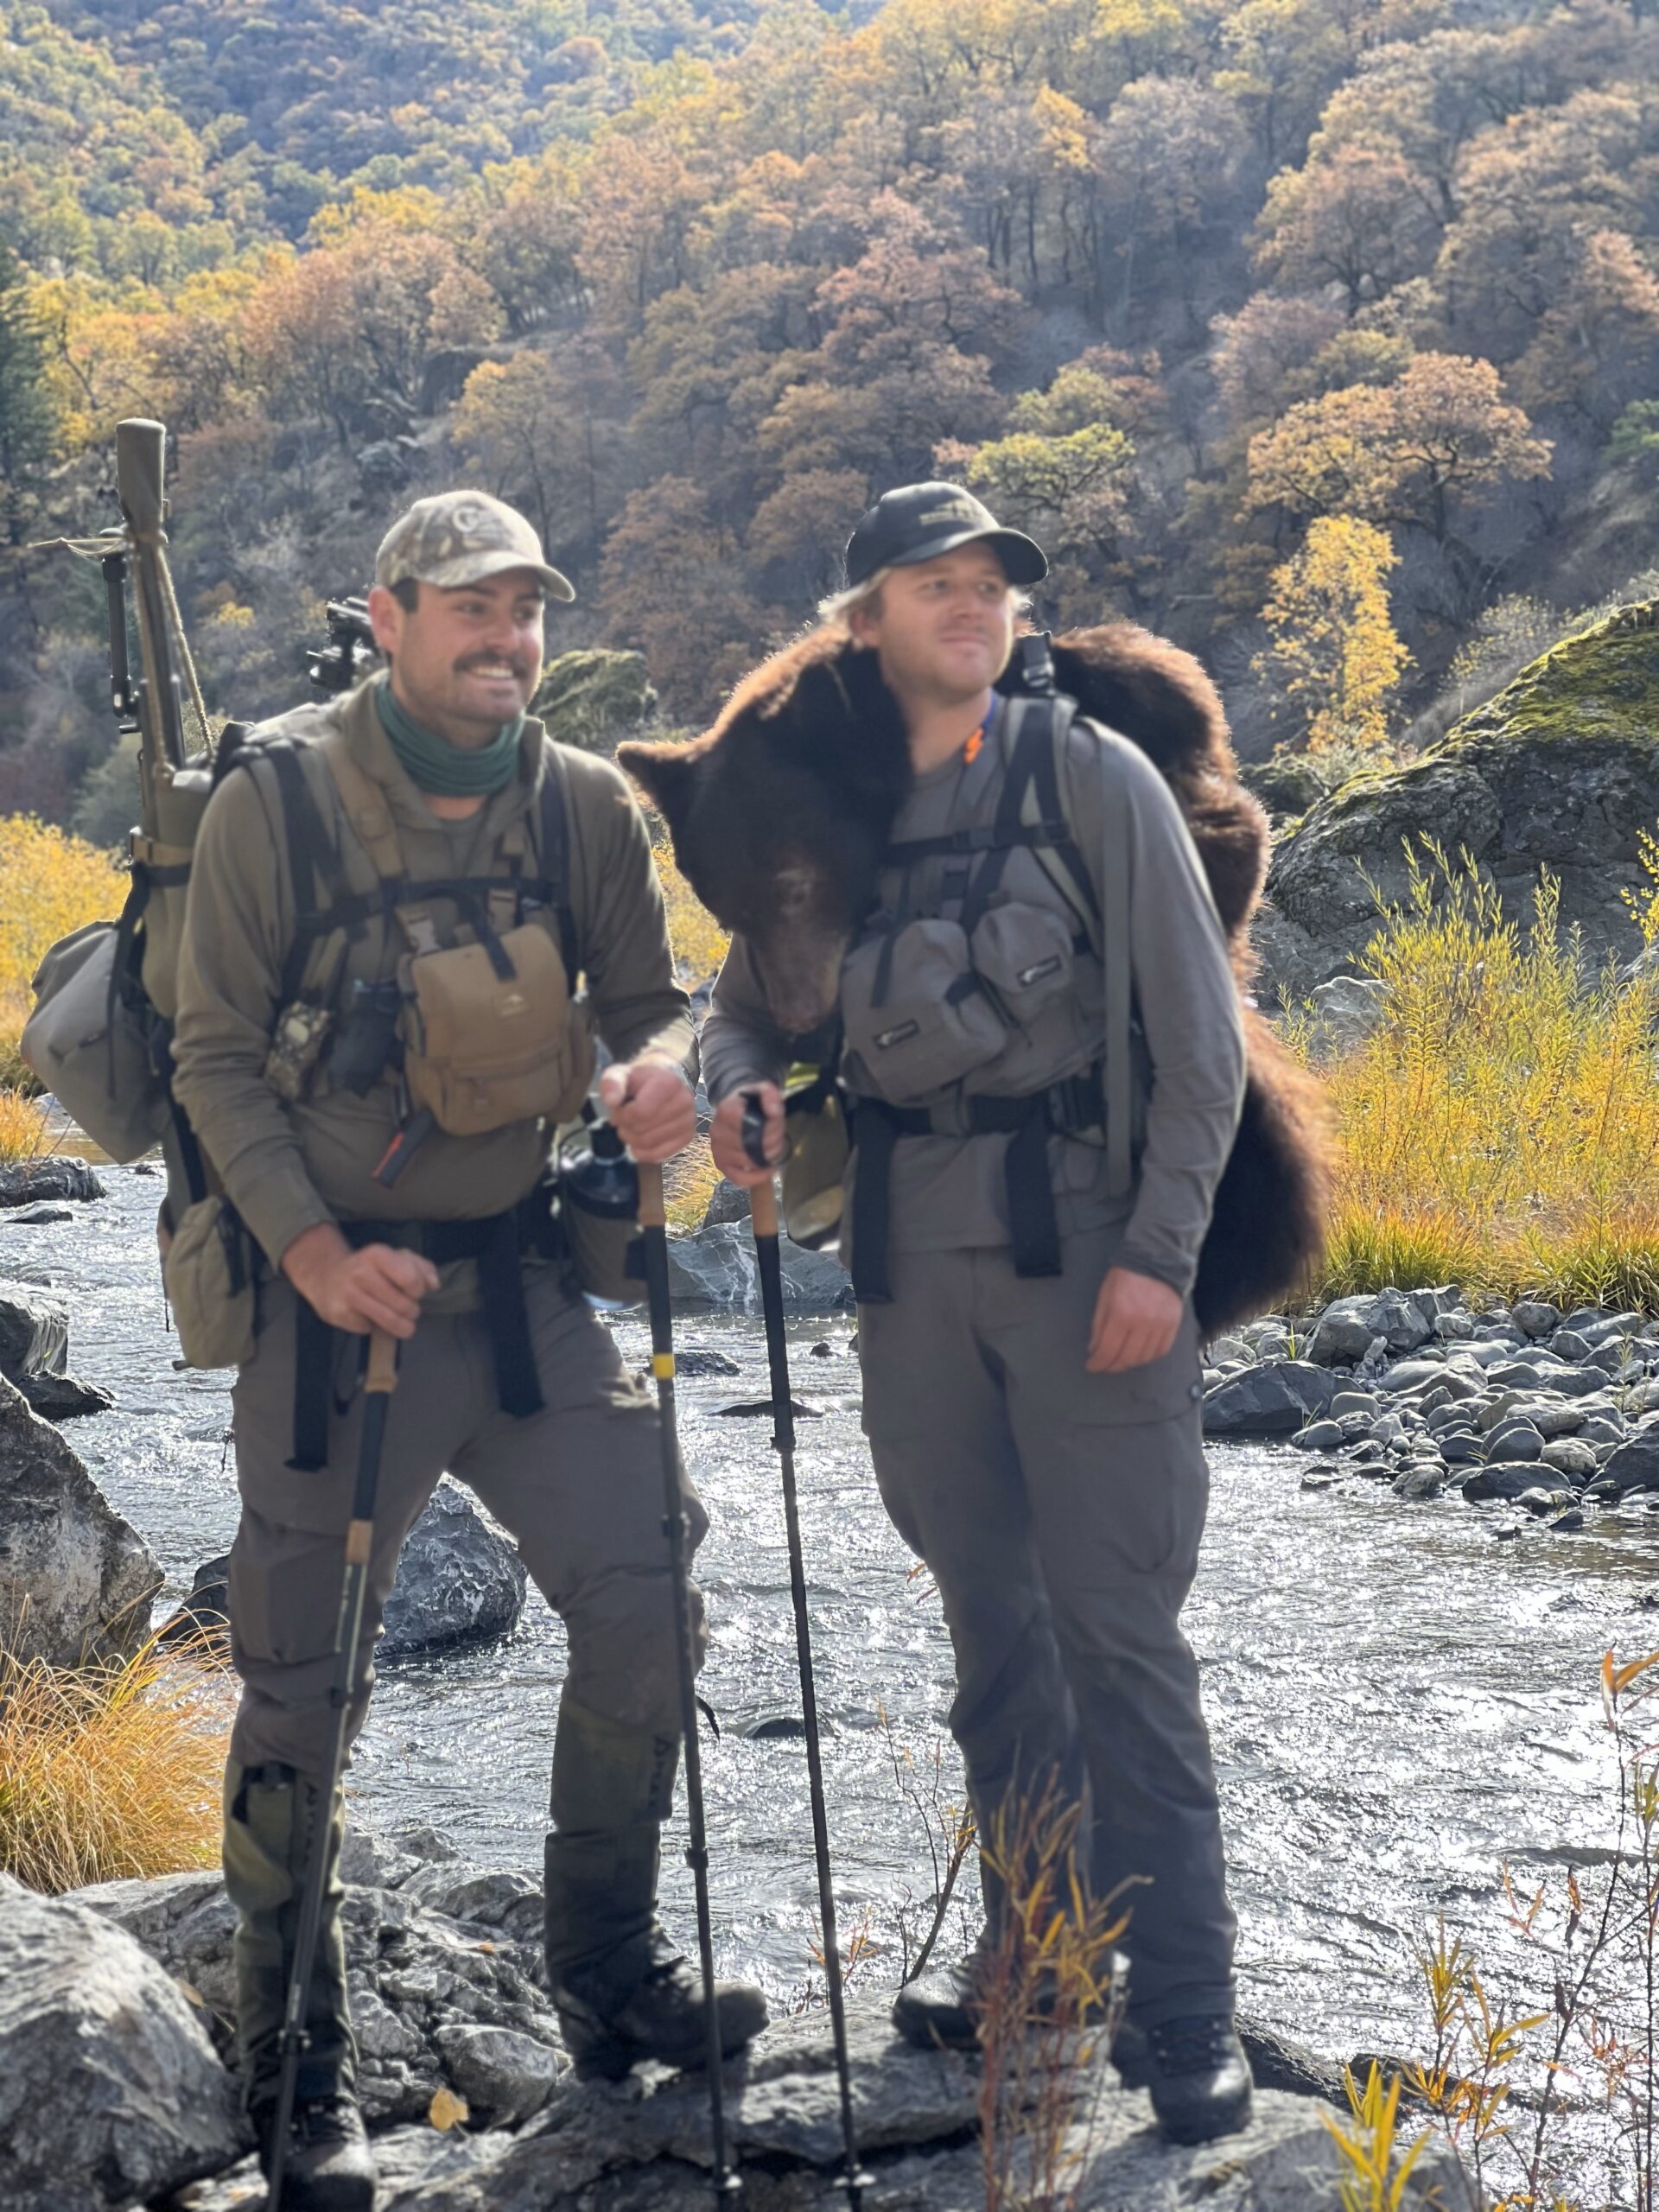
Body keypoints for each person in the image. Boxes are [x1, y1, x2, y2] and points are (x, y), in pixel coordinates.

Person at [169, 490, 766, 2210]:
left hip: (521, 1293)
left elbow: (654, 1009)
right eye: (471, 609)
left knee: (647, 1589)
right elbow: (214, 1058)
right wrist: (312, 1250)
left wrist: (661, 1079)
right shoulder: (279, 801)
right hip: (333, 1311)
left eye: (528, 611)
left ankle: (610, 1974)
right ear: (389, 615)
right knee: (304, 1682)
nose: (508, 639)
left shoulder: (580, 805)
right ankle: (298, 2064)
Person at [702, 483, 1251, 2144]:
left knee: (1119, 1637)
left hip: (1084, 1254)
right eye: (929, 582)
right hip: (905, 1274)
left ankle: (1187, 2011)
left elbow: (1203, 1043)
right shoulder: (835, 794)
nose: (968, 605)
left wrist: (1159, 1257)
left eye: (990, 582)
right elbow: (746, 1006)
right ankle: (1045, 1962)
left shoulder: (1088, 776)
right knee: (992, 1636)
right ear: (864, 617)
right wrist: (737, 1088)